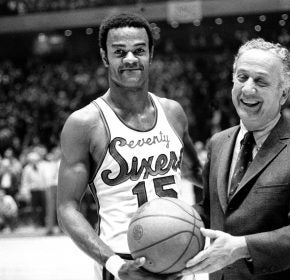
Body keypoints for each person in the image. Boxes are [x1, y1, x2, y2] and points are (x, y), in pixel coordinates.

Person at [57, 12, 202, 280]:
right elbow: (66, 208)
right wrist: (112, 263)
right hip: (123, 263)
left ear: (151, 54)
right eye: (120, 52)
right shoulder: (85, 123)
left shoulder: (173, 112)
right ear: (104, 57)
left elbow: (198, 174)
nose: (130, 59)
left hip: (178, 256)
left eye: (139, 50)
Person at [181, 38, 290, 280]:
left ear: (283, 93)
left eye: (261, 81)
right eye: (242, 77)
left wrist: (242, 247)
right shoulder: (218, 143)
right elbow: (209, 211)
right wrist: (166, 218)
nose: (248, 89)